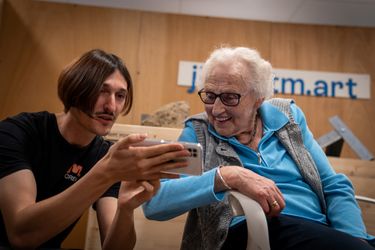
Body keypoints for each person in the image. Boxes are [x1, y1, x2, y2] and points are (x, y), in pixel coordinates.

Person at [143, 46, 375, 249]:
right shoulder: (198, 132)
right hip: (251, 231)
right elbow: (156, 203)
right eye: (210, 95)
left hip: (318, 232)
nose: (216, 109)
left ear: (258, 98)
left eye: (230, 98)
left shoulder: (288, 118)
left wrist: (354, 238)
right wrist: (225, 176)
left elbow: (332, 185)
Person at [0, 49, 190, 249]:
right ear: (76, 89)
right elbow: (20, 235)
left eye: (120, 95)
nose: (111, 106)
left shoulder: (104, 155)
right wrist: (106, 172)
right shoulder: (17, 132)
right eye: (102, 91)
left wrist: (125, 208)